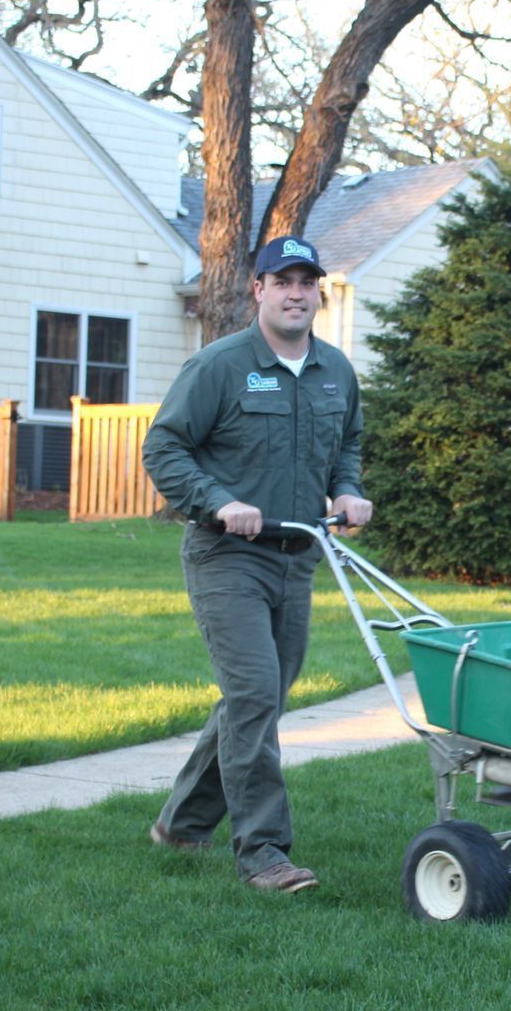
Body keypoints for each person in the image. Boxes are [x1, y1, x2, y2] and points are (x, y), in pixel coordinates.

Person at [141, 235, 373, 893]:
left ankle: (182, 823)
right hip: (227, 559)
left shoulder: (335, 371)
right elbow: (164, 450)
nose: (297, 293)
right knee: (251, 696)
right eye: (284, 281)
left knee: (260, 700)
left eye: (307, 282)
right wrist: (218, 502)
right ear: (259, 290)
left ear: (317, 291)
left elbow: (346, 445)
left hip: (297, 557)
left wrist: (349, 491)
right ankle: (265, 853)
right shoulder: (219, 366)